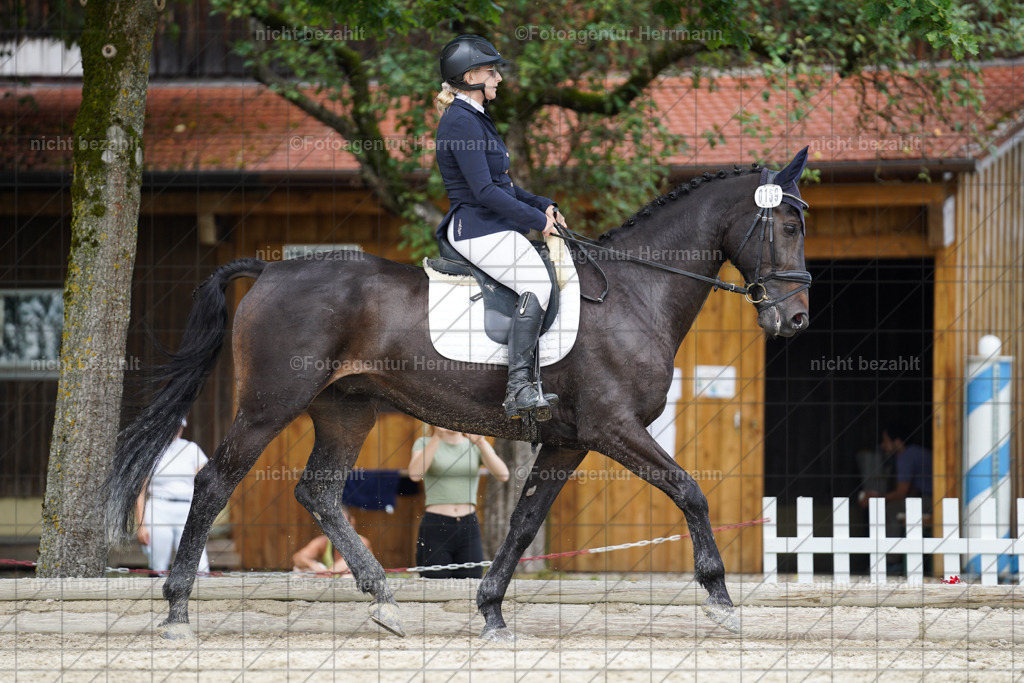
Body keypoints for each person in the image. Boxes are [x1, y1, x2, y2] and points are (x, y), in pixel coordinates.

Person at [434, 34, 566, 420]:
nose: (498, 78)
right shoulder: (460, 122)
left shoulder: (475, 117)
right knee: (537, 285)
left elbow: (504, 184)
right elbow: (485, 192)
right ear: (471, 75)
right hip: (476, 229)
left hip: (491, 226)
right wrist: (536, 221)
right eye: (492, 72)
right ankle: (519, 388)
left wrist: (543, 205)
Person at [408, 426, 510, 579]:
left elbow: (503, 475)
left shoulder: (475, 445)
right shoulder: (424, 442)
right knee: (434, 585)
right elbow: (415, 474)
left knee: (470, 584)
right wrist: (437, 437)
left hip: (468, 525)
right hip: (436, 525)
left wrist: (481, 443)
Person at [135, 418, 210, 573]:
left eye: (179, 427)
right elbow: (140, 492)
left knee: (200, 566)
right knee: (158, 563)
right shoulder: (150, 451)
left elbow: (204, 484)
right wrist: (141, 525)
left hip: (187, 508)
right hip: (159, 507)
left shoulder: (191, 449)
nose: (175, 430)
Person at [291, 506, 373, 574]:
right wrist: (313, 565)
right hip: (329, 580)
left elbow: (345, 565)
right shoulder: (323, 542)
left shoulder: (362, 542)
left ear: (352, 523)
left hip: (356, 585)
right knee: (298, 571)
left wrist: (324, 573)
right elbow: (297, 557)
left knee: (348, 576)